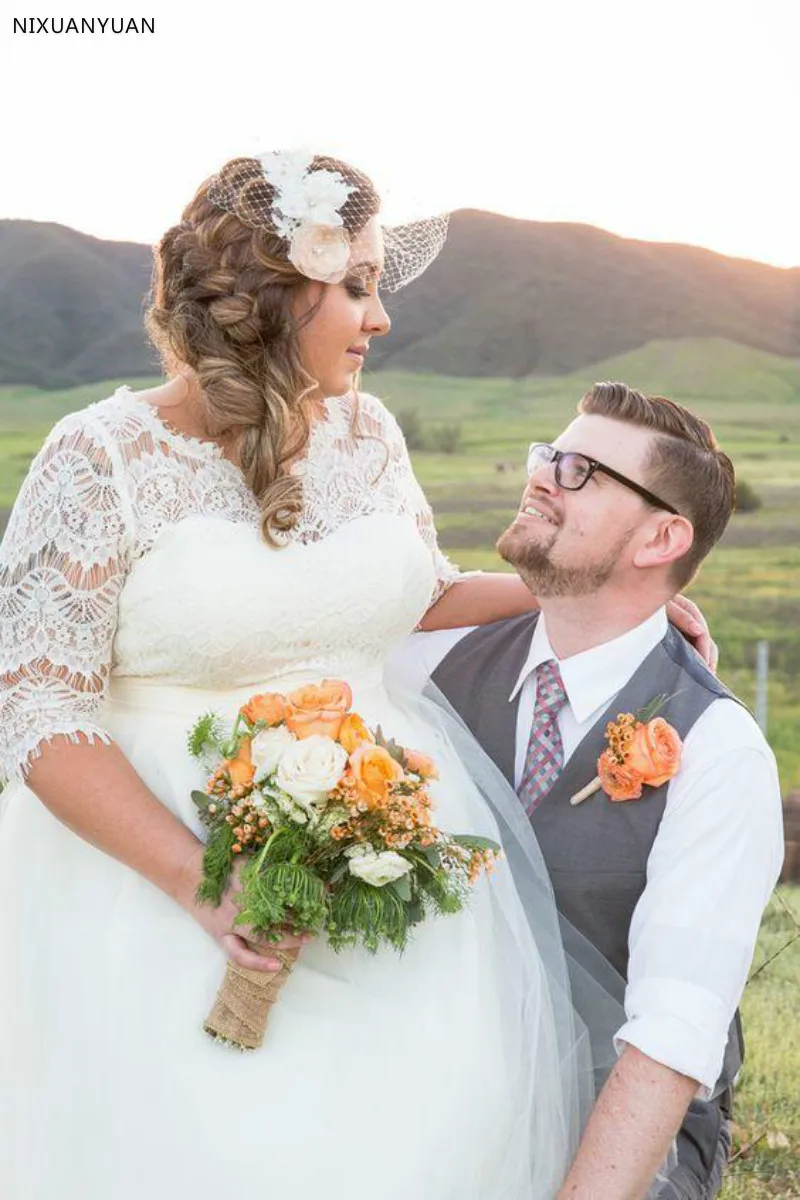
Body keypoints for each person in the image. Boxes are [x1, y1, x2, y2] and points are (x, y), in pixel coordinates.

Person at [0, 151, 710, 1200]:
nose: (379, 320)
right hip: (147, 882)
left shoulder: (367, 432)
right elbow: (42, 714)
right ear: (267, 300)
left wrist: (594, 587)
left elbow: (412, 594)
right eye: (358, 286)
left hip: (393, 855)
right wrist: (213, 888)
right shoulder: (97, 458)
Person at [394, 382, 784, 1199]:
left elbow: (670, 1040)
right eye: (547, 455)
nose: (540, 476)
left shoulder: (718, 752)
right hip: (426, 1079)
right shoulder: (429, 664)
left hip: (601, 1126)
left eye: (580, 472)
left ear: (661, 538)